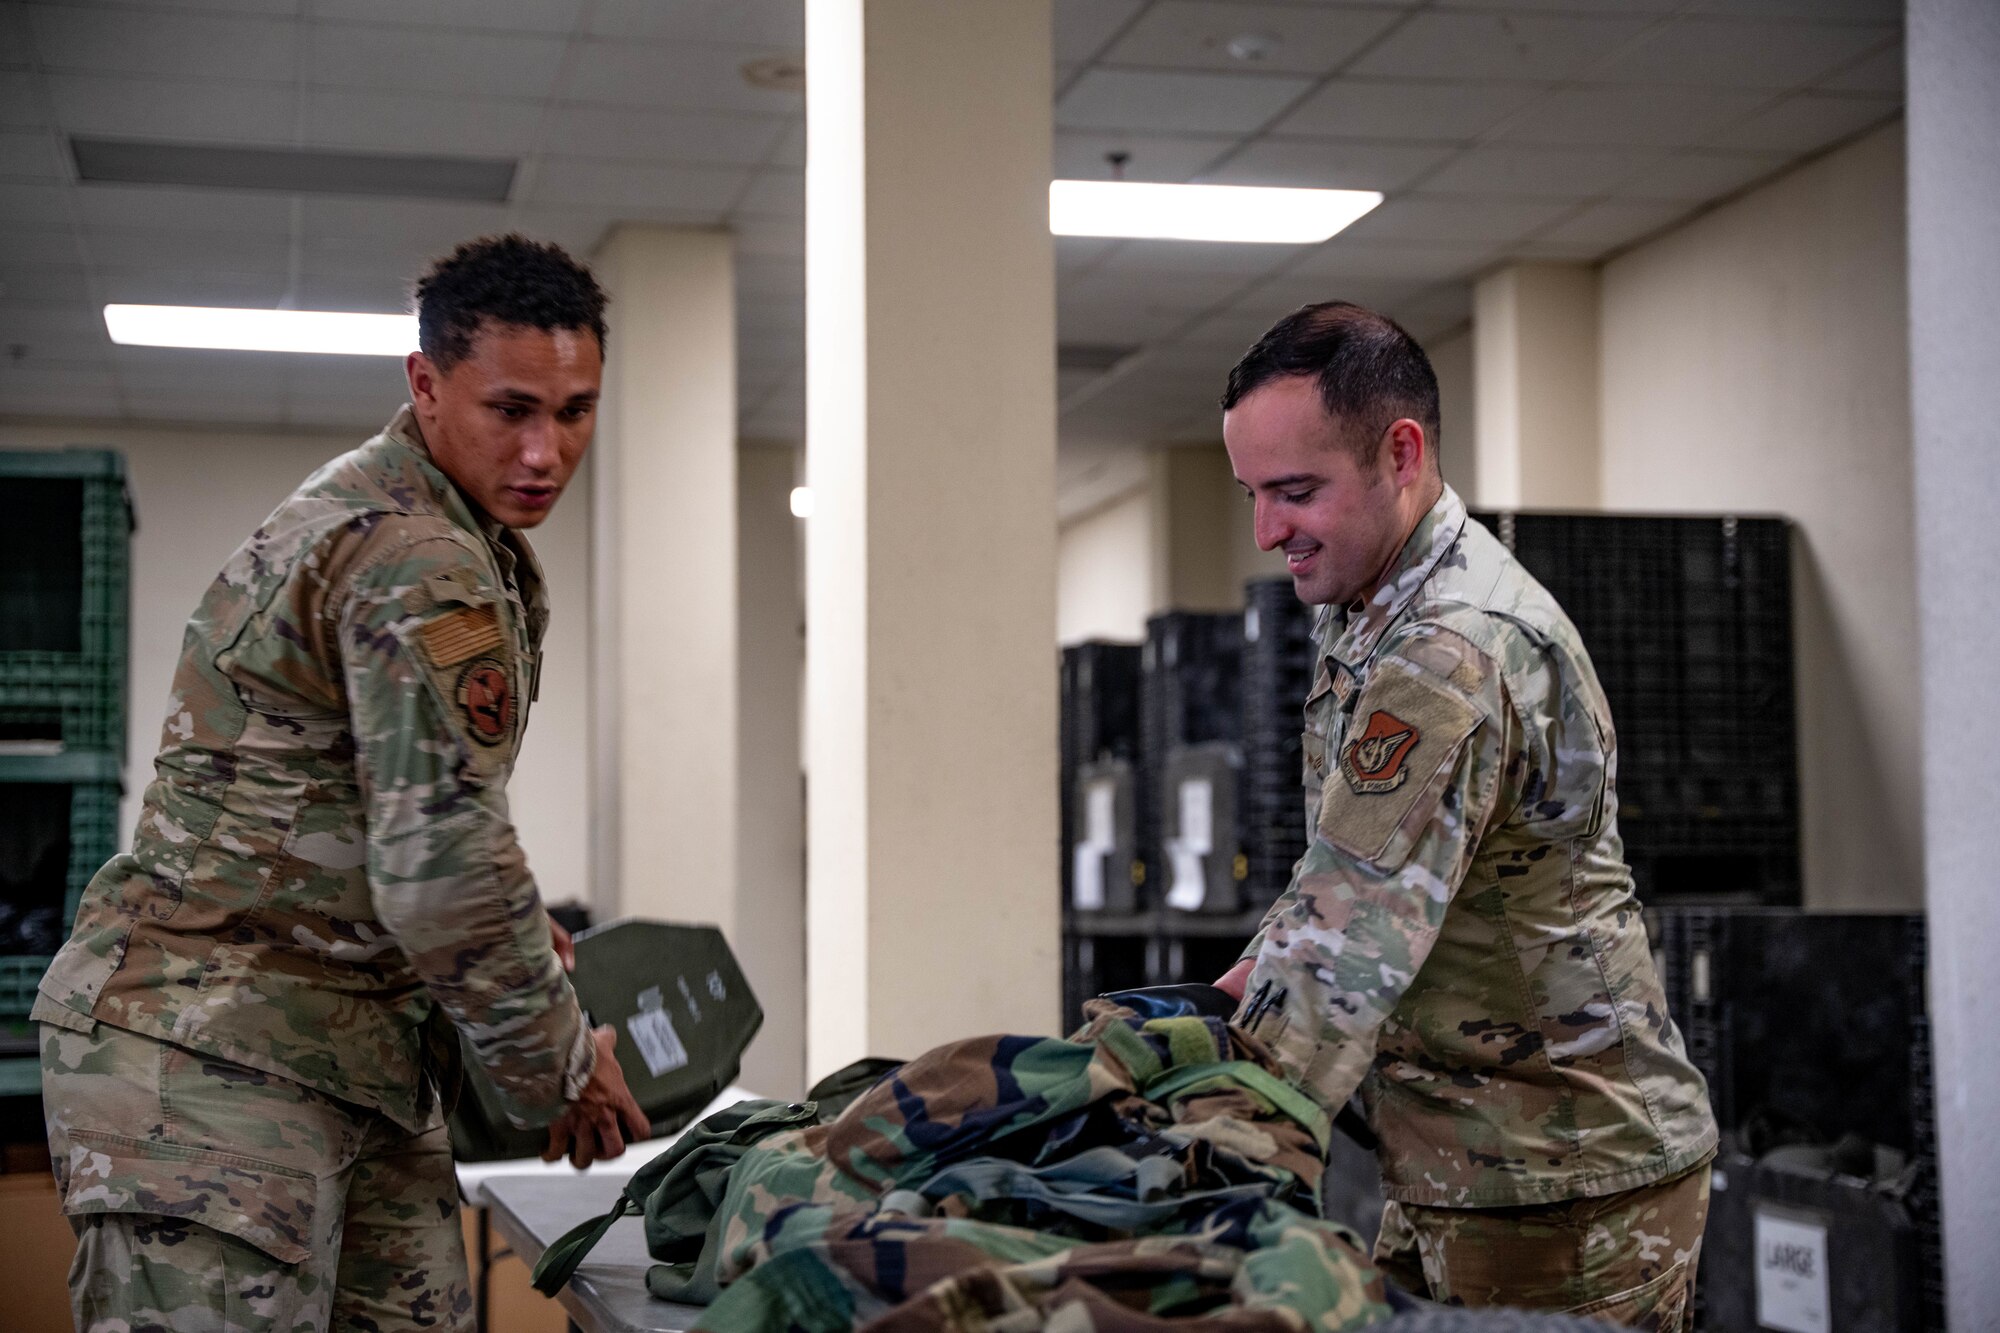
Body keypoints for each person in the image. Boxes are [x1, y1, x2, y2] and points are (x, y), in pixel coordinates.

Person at [33, 234, 649, 1332]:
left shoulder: (463, 534)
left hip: (355, 1051)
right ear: (424, 383)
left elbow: (411, 820)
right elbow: (444, 871)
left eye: (575, 411)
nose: (546, 449)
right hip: (215, 1057)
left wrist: (514, 943)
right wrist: (563, 1067)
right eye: (511, 409)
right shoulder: (412, 550)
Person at [1211, 302, 1719, 1325]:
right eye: (1253, 495)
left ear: (1398, 453)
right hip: (1459, 1154)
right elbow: (1343, 869)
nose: (1267, 531)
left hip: (1561, 1182)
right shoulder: (1374, 602)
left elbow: (1347, 940)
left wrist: (1195, 1123)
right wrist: (1240, 986)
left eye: (1293, 490)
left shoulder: (1449, 647)